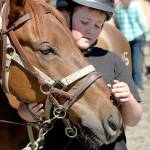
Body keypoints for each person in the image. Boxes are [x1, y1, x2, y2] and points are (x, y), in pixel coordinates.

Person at [18, 0, 142, 149]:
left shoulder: (112, 60)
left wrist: (128, 99)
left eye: (98, 25)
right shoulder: (49, 59)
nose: (91, 30)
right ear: (64, 17)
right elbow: (23, 108)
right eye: (84, 22)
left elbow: (133, 120)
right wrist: (30, 112)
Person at [114, 0, 148, 91]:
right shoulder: (135, 4)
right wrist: (146, 34)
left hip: (124, 37)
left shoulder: (118, 7)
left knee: (127, 61)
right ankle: (138, 84)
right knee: (137, 60)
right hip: (137, 35)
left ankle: (128, 83)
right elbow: (141, 21)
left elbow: (117, 23)